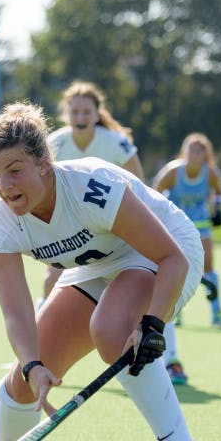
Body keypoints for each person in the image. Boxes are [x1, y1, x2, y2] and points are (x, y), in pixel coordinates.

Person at [0, 102, 208, 441]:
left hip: (164, 251)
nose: (4, 185)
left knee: (111, 330)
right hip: (99, 265)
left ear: (43, 163)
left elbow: (171, 258)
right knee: (24, 373)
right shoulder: (2, 227)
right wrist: (33, 366)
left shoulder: (91, 187)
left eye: (14, 170)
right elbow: (16, 312)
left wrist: (153, 325)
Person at [42, 81, 144, 300]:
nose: (80, 118)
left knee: (124, 283)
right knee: (51, 280)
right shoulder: (52, 144)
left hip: (113, 224)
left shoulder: (117, 143)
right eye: (75, 112)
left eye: (86, 112)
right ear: (66, 114)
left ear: (97, 114)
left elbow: (139, 186)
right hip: (68, 225)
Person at [153, 132, 221, 366]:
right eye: (191, 149)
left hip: (202, 227)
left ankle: (216, 313)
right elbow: (156, 191)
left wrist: (217, 211)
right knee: (174, 267)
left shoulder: (211, 173)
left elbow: (219, 193)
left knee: (208, 269)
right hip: (176, 228)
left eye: (200, 150)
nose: (195, 154)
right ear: (184, 152)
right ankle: (175, 312)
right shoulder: (173, 171)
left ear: (206, 154)